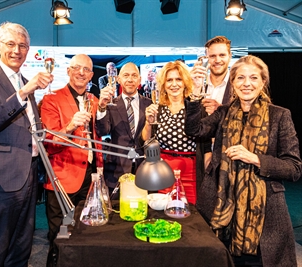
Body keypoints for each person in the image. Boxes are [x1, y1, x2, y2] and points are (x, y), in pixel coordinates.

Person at [185, 55, 302, 266]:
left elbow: (293, 168)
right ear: (233, 83)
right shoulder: (223, 113)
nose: (246, 83)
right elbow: (194, 130)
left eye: (253, 78)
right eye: (240, 78)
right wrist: (194, 92)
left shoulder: (280, 116)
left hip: (264, 217)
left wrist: (255, 159)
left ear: (263, 82)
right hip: (222, 212)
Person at [0, 22, 53, 267]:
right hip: (1, 174)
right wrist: (25, 91)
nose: (17, 50)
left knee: (22, 244)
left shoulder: (24, 80)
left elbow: (29, 125)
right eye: (11, 44)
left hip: (29, 172)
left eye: (23, 45)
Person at [40, 54, 104, 262]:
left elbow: (98, 139)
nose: (81, 73)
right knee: (59, 237)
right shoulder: (51, 100)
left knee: (86, 233)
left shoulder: (94, 101)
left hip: (90, 177)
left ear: (91, 75)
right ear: (68, 71)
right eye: (76, 68)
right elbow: (49, 142)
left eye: (86, 70)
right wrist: (69, 126)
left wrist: (99, 171)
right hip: (62, 178)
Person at [141, 61, 211, 205]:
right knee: (163, 213)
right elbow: (146, 141)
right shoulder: (158, 108)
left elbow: (206, 146)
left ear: (185, 82)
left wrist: (206, 180)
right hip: (163, 171)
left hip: (191, 172)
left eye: (178, 79)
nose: (174, 84)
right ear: (163, 85)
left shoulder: (196, 107)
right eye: (169, 80)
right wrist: (148, 122)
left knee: (190, 214)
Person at [96, 62, 152, 198]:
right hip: (116, 169)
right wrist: (101, 107)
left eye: (134, 76)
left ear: (139, 80)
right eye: (126, 75)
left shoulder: (150, 104)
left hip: (143, 168)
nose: (130, 79)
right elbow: (102, 131)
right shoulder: (110, 104)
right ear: (119, 80)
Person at [190, 36, 233, 114]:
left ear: (230, 56)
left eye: (222, 55)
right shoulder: (197, 86)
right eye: (212, 56)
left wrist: (221, 111)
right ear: (207, 58)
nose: (217, 60)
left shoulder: (238, 86)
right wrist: (195, 88)